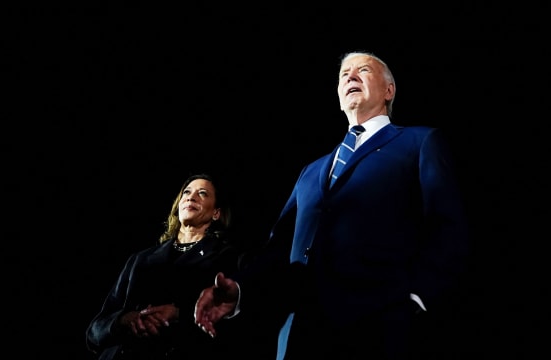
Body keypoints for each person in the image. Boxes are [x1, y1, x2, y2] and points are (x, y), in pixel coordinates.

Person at [194, 51, 471, 359]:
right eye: (343, 75)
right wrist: (241, 290)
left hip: (379, 329)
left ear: (389, 91)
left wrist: (417, 298)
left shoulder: (420, 142)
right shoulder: (311, 171)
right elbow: (279, 249)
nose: (350, 76)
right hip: (301, 335)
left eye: (362, 70)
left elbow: (448, 227)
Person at [86, 173, 274, 359]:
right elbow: (94, 332)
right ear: (178, 206)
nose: (191, 197)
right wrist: (122, 321)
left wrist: (180, 314)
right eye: (186, 192)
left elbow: (246, 322)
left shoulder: (230, 257)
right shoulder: (139, 259)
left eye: (202, 193)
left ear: (216, 213)